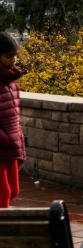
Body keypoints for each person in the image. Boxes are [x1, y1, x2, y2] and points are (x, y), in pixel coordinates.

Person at [0, 32, 25, 209]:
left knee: (14, 190)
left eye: (15, 55)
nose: (14, 60)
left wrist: (19, 138)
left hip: (11, 145)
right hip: (1, 144)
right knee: (4, 193)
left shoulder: (13, 83)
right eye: (9, 56)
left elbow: (14, 115)